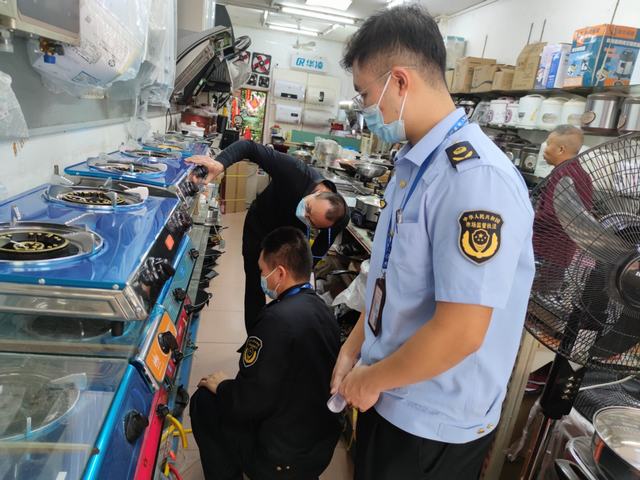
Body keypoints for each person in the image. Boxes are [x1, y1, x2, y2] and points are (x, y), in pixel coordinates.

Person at [329, 6, 535, 479]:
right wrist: (354, 347)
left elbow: (461, 332)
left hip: (431, 423)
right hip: (390, 391)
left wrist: (370, 379)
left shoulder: (474, 179)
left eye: (366, 95)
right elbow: (390, 279)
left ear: (400, 82)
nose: (366, 111)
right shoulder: (416, 164)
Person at [189, 227, 341, 480]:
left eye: (262, 271)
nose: (262, 278)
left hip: (281, 460)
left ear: (280, 273)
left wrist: (222, 386)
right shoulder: (324, 310)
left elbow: (248, 402)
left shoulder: (275, 321)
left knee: (204, 402)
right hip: (319, 449)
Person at [187, 141, 349, 330]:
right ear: (319, 192)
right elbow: (249, 147)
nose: (305, 216)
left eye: (312, 223)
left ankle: (277, 335)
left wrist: (303, 273)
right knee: (255, 283)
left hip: (290, 240)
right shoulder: (295, 172)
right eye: (308, 209)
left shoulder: (339, 218)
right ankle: (254, 339)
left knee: (290, 291)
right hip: (260, 226)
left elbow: (319, 249)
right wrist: (220, 163)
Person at [533, 125, 593, 292]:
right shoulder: (583, 175)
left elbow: (553, 215)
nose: (545, 148)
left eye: (548, 143)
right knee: (547, 293)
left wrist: (525, 217)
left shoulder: (563, 175)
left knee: (534, 294)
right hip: (562, 251)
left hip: (547, 249)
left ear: (561, 149)